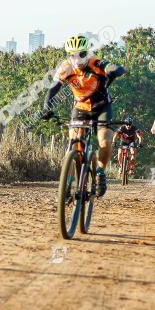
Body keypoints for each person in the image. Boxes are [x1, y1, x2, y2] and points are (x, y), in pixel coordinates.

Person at [41, 35, 125, 196]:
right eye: (72, 55)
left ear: (88, 52)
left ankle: (100, 172)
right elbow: (53, 89)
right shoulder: (65, 67)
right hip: (80, 109)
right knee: (74, 143)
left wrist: (114, 71)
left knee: (104, 141)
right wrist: (46, 107)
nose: (77, 59)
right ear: (68, 56)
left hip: (102, 108)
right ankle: (70, 180)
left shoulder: (96, 63)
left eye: (82, 54)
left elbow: (114, 68)